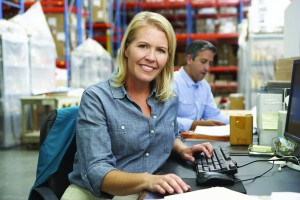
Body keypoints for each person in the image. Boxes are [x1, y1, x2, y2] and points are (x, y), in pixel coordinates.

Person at [61, 11, 213, 200]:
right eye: (143, 46)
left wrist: (182, 149)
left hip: (145, 189)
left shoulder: (169, 98)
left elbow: (170, 134)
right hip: (96, 194)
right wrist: (148, 181)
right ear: (126, 49)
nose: (151, 57)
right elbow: (97, 171)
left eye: (160, 50)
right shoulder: (96, 98)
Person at [174, 40, 230, 133]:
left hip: (194, 140)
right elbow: (165, 121)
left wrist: (236, 122)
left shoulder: (204, 86)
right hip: (174, 142)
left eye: (210, 63)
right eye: (203, 61)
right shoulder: (172, 83)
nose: (207, 68)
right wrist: (196, 124)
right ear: (189, 59)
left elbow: (213, 115)